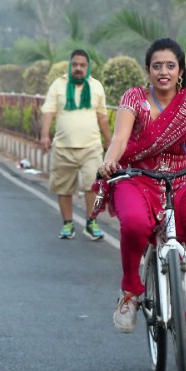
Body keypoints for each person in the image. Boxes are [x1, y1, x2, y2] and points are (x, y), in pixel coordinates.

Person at [99, 38, 186, 345]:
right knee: (133, 223)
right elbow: (119, 139)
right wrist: (109, 161)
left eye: (170, 66)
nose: (164, 72)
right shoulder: (134, 98)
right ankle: (130, 291)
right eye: (157, 66)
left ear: (180, 71)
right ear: (147, 70)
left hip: (181, 177)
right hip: (137, 176)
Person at [40, 49, 111, 240]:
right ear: (70, 65)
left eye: (82, 65)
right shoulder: (58, 85)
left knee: (93, 186)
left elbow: (102, 116)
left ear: (88, 67)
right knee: (63, 188)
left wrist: (110, 140)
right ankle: (67, 224)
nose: (78, 68)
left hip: (91, 146)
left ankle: (91, 222)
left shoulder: (96, 86)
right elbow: (49, 111)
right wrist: (45, 135)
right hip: (63, 147)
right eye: (75, 64)